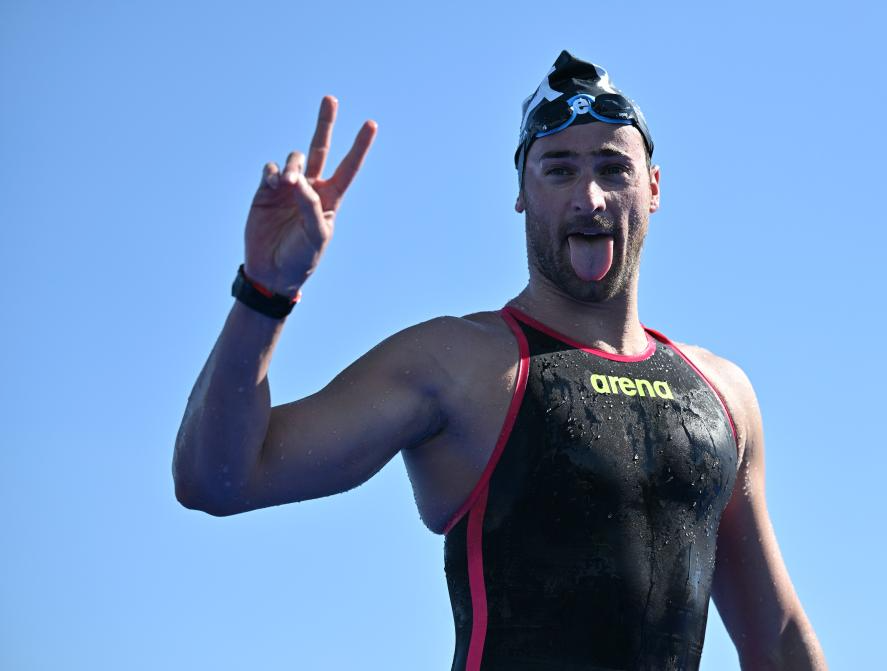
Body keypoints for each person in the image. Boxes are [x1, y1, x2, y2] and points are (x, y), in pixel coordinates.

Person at [173, 51, 828, 671]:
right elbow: (218, 479)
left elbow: (777, 643)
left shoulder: (720, 394)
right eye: (559, 170)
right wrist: (265, 291)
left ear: (652, 187)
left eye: (612, 168)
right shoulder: (459, 365)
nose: (590, 197)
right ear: (521, 191)